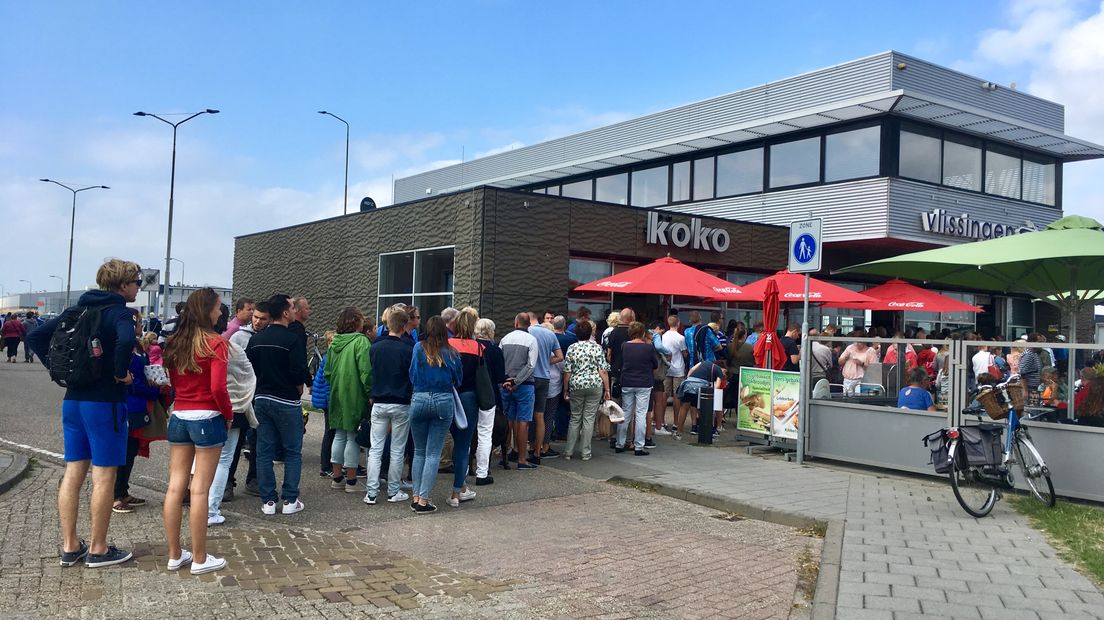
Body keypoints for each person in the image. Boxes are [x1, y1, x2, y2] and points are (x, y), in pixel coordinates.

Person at [27, 258, 142, 569]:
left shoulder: (77, 310)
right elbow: (127, 340)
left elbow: (35, 336)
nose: (137, 289)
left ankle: (70, 546)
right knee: (104, 475)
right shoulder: (119, 311)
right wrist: (120, 373)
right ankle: (99, 548)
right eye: (136, 283)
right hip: (105, 403)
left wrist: (57, 370)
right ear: (122, 285)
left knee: (74, 472)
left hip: (73, 400)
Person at [162, 288, 232, 575]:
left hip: (180, 415)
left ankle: (175, 554)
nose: (220, 312)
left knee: (175, 486)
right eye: (217, 308)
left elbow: (172, 382)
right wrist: (228, 415)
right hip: (207, 416)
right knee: (200, 488)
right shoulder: (216, 343)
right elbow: (218, 387)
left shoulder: (175, 341)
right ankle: (201, 558)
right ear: (208, 310)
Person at [246, 294, 308, 516]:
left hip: (261, 398)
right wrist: (299, 386)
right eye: (292, 307)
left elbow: (248, 367)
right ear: (284, 312)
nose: (294, 310)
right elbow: (299, 370)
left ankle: (269, 501)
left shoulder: (256, 339)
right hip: (287, 400)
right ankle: (290, 499)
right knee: (292, 451)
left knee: (264, 451)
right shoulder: (293, 339)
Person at [408, 316, 463, 513]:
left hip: (420, 398)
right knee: (433, 453)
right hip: (443, 399)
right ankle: (424, 499)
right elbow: (458, 379)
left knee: (419, 451)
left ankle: (416, 496)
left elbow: (412, 375)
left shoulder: (417, 348)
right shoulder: (452, 352)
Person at [208, 305, 256, 523]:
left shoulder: (184, 344)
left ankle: (193, 500)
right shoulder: (227, 346)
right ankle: (210, 510)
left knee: (197, 460)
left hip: (188, 410)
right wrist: (233, 408)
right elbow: (247, 375)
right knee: (223, 460)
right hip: (226, 408)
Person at [365, 308, 414, 503]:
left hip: (379, 401)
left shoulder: (375, 346)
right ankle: (393, 490)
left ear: (387, 324)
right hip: (401, 401)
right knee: (397, 448)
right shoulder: (408, 349)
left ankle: (371, 492)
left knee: (375, 448)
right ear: (404, 327)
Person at [113, 310, 160, 515]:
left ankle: (123, 490)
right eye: (139, 323)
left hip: (139, 403)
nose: (142, 326)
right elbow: (131, 382)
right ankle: (116, 495)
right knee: (122, 452)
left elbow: (141, 375)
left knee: (130, 451)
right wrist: (154, 389)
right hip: (130, 403)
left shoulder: (139, 347)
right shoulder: (123, 349)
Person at [324, 308, 372, 494]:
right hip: (355, 393)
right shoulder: (361, 342)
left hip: (337, 392)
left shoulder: (334, 342)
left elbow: (327, 371)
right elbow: (366, 372)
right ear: (356, 322)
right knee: (352, 436)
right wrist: (370, 392)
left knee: (339, 434)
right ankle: (352, 481)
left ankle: (337, 477)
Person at [229, 301, 270, 496]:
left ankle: (253, 479)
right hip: (240, 395)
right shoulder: (238, 336)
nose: (258, 322)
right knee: (235, 441)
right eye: (255, 317)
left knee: (257, 439)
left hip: (260, 394)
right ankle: (228, 481)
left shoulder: (267, 337)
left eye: (262, 319)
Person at [445, 307, 482, 507]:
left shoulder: (448, 344)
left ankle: (460, 486)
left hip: (449, 394)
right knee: (463, 444)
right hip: (469, 398)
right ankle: (457, 491)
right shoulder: (478, 348)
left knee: (444, 441)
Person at [562, 320, 610, 460]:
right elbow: (603, 370)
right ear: (591, 332)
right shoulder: (597, 348)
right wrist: (607, 389)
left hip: (576, 385)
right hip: (594, 385)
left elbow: (567, 372)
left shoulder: (572, 348)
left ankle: (568, 451)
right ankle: (586, 452)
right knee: (589, 418)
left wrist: (566, 389)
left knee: (575, 418)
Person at [499, 313, 540, 470]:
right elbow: (531, 365)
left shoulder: (505, 339)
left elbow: (500, 361)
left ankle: (506, 455)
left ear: (515, 323)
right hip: (524, 386)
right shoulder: (531, 340)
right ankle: (522, 459)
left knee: (507, 421)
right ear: (528, 324)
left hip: (505, 384)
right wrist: (516, 381)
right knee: (523, 422)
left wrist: (507, 380)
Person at [473, 318, 505, 484]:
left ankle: (463, 470)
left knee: (469, 433)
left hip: (470, 394)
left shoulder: (470, 347)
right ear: (491, 332)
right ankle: (482, 472)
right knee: (485, 434)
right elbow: (500, 377)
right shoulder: (495, 350)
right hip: (489, 395)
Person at [617, 321, 657, 456]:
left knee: (625, 413)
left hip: (627, 381)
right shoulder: (648, 348)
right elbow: (655, 364)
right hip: (644, 383)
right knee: (640, 414)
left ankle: (620, 443)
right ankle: (639, 446)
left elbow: (621, 362)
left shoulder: (624, 346)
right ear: (642, 333)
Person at [527, 311, 563, 461]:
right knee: (542, 416)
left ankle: (524, 447)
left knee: (526, 415)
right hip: (546, 380)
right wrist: (546, 362)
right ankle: (539, 450)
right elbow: (560, 357)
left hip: (530, 377)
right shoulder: (551, 335)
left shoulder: (527, 332)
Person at [674, 360, 726, 438]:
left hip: (689, 383)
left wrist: (688, 379)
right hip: (701, 386)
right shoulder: (719, 370)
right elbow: (717, 386)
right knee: (703, 409)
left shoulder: (704, 362)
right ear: (723, 368)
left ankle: (679, 432)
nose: (725, 374)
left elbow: (692, 369)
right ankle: (706, 432)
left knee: (684, 408)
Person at [311, 331, 335, 477]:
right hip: (328, 401)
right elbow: (327, 385)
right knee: (330, 432)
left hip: (325, 399)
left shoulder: (327, 357)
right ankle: (326, 466)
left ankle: (327, 464)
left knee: (330, 432)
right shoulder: (329, 359)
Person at [661, 314, 688, 435]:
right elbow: (685, 354)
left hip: (667, 367)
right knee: (677, 396)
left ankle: (661, 421)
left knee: (664, 395)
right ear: (678, 324)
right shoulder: (681, 338)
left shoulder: (664, 336)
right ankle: (676, 422)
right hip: (678, 369)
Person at [838, 331, 878, 395]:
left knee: (858, 400)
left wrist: (862, 364)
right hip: (847, 380)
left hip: (861, 381)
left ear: (864, 341)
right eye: (855, 341)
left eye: (859, 342)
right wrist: (845, 358)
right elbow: (840, 362)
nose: (857, 344)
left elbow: (874, 369)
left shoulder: (870, 351)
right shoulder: (850, 348)